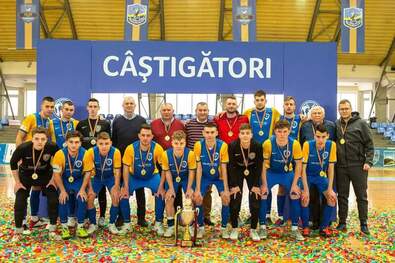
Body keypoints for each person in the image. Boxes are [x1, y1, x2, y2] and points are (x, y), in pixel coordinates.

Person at [10, 127, 59, 241]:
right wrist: (17, 182)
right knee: (20, 200)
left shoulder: (52, 147)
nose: (40, 142)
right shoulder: (23, 148)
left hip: (45, 175)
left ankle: (52, 228)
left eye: (43, 139)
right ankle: (18, 230)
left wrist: (53, 179)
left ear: (47, 140)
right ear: (32, 139)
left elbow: (58, 162)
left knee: (53, 199)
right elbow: (13, 163)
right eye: (37, 139)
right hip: (25, 176)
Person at [259, 120, 304, 241]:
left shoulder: (294, 143)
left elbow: (299, 164)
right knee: (263, 194)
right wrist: (263, 184)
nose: (282, 134)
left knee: (295, 195)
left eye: (285, 131)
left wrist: (295, 184)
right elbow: (263, 165)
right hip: (271, 172)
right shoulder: (268, 143)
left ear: (289, 131)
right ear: (275, 132)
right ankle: (262, 226)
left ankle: (295, 228)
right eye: (279, 132)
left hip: (287, 173)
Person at [15, 96, 56, 229]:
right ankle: (23, 220)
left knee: (37, 188)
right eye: (47, 106)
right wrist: (20, 156)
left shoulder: (49, 122)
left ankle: (34, 218)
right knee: (24, 192)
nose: (49, 109)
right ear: (41, 106)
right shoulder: (31, 118)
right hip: (27, 160)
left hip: (40, 164)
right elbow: (19, 137)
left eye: (52, 107)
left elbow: (49, 142)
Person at [119, 124, 166, 236]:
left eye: (148, 135)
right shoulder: (131, 148)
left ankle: (158, 223)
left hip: (152, 177)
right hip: (134, 177)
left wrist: (161, 186)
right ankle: (127, 224)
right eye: (143, 135)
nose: (145, 138)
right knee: (123, 194)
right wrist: (125, 186)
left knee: (161, 194)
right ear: (139, 136)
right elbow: (125, 168)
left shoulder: (157, 148)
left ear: (152, 136)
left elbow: (164, 168)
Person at [335, 99, 374, 235]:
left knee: (361, 196)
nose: (344, 111)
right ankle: (342, 222)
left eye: (346, 108)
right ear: (339, 110)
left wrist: (368, 161)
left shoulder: (361, 123)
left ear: (351, 109)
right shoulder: (336, 124)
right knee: (342, 196)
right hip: (341, 167)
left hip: (358, 166)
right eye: (342, 109)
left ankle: (363, 223)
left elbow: (369, 144)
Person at [244, 90, 280, 224]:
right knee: (253, 183)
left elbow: (281, 127)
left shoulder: (274, 112)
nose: (259, 102)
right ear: (254, 101)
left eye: (262, 100)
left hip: (267, 152)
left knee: (266, 184)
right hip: (252, 152)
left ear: (265, 101)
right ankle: (252, 212)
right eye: (257, 100)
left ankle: (266, 214)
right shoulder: (248, 112)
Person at [111, 96, 147, 227]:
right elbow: (113, 142)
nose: (129, 105)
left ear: (135, 105)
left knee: (140, 190)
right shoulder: (117, 121)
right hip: (121, 162)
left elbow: (145, 139)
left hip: (139, 162)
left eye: (132, 103)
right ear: (123, 105)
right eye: (127, 103)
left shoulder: (142, 120)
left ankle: (141, 217)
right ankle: (122, 216)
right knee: (123, 190)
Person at [76, 98, 111, 228]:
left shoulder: (105, 123)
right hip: (86, 160)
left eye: (95, 106)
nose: (92, 108)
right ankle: (86, 216)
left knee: (101, 190)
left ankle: (101, 216)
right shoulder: (81, 124)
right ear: (87, 108)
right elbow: (78, 142)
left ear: (98, 108)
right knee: (86, 189)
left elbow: (108, 142)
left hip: (100, 160)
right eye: (90, 106)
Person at [299, 105, 336, 229]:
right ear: (314, 136)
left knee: (331, 198)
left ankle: (324, 227)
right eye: (318, 137)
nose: (320, 140)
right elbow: (303, 170)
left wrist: (330, 188)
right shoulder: (307, 145)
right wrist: (305, 189)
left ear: (328, 136)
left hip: (321, 177)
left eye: (323, 137)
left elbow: (331, 169)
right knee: (305, 199)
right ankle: (305, 227)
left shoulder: (332, 145)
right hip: (307, 176)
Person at [80, 132, 123, 235]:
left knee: (116, 197)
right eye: (101, 143)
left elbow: (117, 172)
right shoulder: (90, 152)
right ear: (97, 144)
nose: (104, 146)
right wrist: (90, 188)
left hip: (110, 177)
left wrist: (116, 187)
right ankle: (93, 224)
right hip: (97, 178)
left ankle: (112, 223)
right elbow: (89, 172)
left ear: (111, 143)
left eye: (106, 143)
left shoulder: (116, 152)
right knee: (90, 197)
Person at [193, 123, 230, 239]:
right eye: (207, 132)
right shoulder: (198, 145)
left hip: (219, 177)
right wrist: (198, 189)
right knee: (198, 198)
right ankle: (200, 227)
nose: (209, 135)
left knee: (225, 198)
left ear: (217, 133)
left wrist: (226, 189)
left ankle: (224, 228)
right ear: (203, 133)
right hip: (204, 176)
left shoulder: (223, 146)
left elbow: (224, 168)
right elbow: (198, 168)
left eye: (212, 132)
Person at [228, 124, 263, 241]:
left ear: (251, 135)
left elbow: (259, 166)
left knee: (255, 197)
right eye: (242, 133)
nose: (245, 136)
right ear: (239, 135)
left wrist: (256, 185)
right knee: (235, 197)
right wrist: (234, 185)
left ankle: (253, 229)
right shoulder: (233, 145)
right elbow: (231, 166)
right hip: (237, 170)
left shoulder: (257, 146)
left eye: (247, 133)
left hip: (252, 170)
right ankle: (234, 227)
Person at [52, 131, 89, 239]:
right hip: (64, 180)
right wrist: (62, 190)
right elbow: (56, 174)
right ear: (66, 142)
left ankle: (80, 226)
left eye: (77, 142)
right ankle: (64, 227)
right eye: (71, 142)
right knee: (62, 199)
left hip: (78, 180)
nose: (74, 145)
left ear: (80, 143)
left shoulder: (85, 153)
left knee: (82, 199)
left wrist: (82, 189)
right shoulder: (59, 154)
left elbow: (87, 173)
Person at [162, 130, 197, 237]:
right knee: (169, 198)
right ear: (172, 143)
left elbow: (192, 172)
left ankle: (190, 226)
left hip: (186, 178)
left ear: (185, 143)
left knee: (190, 198)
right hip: (172, 178)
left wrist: (190, 188)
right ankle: (171, 226)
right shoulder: (165, 154)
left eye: (181, 143)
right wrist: (171, 188)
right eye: (176, 143)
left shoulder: (190, 154)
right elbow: (167, 172)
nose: (179, 146)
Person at [185, 102, 214, 226]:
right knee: (192, 190)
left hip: (208, 163)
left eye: (205, 110)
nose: (202, 112)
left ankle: (206, 216)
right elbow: (185, 141)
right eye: (200, 110)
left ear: (208, 111)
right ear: (196, 111)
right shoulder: (189, 125)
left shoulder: (213, 124)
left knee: (207, 191)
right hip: (192, 163)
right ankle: (191, 216)